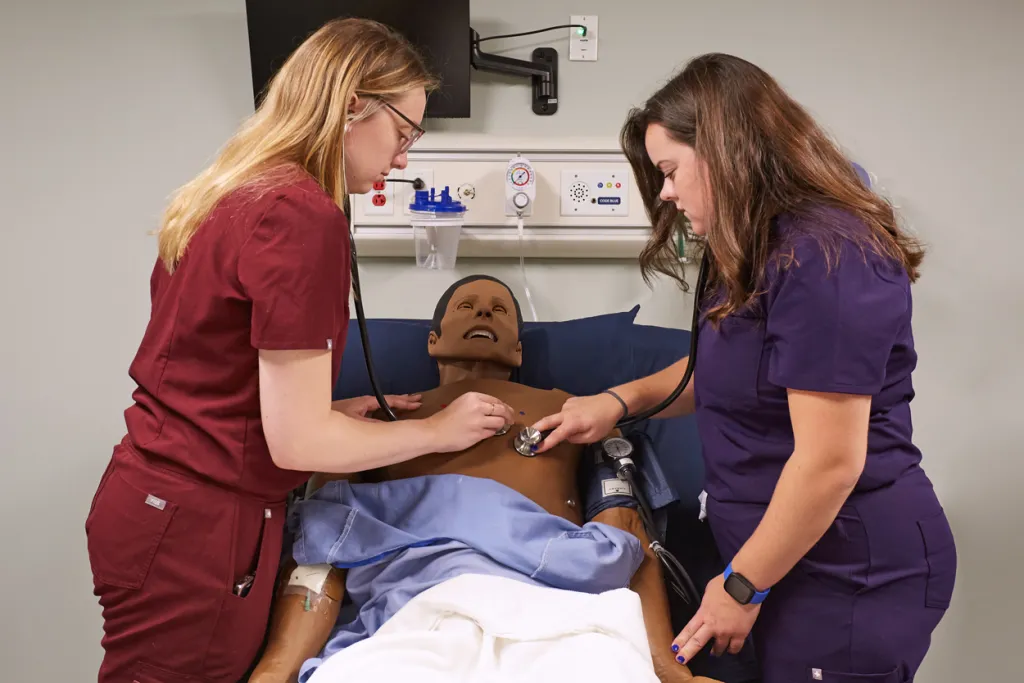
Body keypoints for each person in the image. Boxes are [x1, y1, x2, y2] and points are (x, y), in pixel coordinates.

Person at [83, 19, 515, 683]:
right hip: (196, 530)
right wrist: (435, 430)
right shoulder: (301, 217)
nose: (404, 159)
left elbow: (209, 369)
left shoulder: (234, 191)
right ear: (351, 105)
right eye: (403, 134)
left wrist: (328, 406)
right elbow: (298, 446)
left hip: (154, 504)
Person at [531, 53, 957, 683]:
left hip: (846, 573)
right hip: (781, 560)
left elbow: (830, 462)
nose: (667, 192)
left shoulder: (825, 256)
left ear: (726, 151)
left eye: (671, 171)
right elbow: (730, 370)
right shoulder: (762, 244)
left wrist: (740, 587)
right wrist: (618, 401)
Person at [247, 274, 719, 683]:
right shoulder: (379, 417)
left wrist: (666, 668)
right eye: (467, 307)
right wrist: (277, 670)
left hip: (549, 598)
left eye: (499, 311)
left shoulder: (573, 409)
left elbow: (627, 532)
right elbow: (320, 545)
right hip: (413, 602)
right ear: (433, 340)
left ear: (517, 348)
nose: (484, 314)